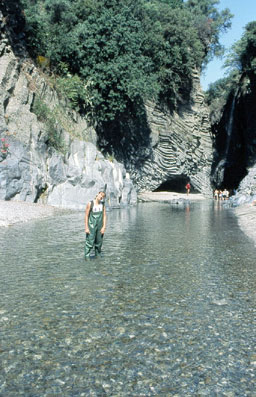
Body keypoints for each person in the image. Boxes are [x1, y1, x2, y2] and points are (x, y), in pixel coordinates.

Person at [84, 191, 106, 259]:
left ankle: (98, 258)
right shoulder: (90, 203)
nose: (101, 197)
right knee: (89, 242)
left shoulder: (102, 205)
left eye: (103, 197)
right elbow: (86, 216)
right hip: (91, 226)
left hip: (100, 226)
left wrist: (104, 227)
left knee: (99, 243)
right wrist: (87, 227)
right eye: (100, 195)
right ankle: (87, 258)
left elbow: (104, 216)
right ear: (98, 194)